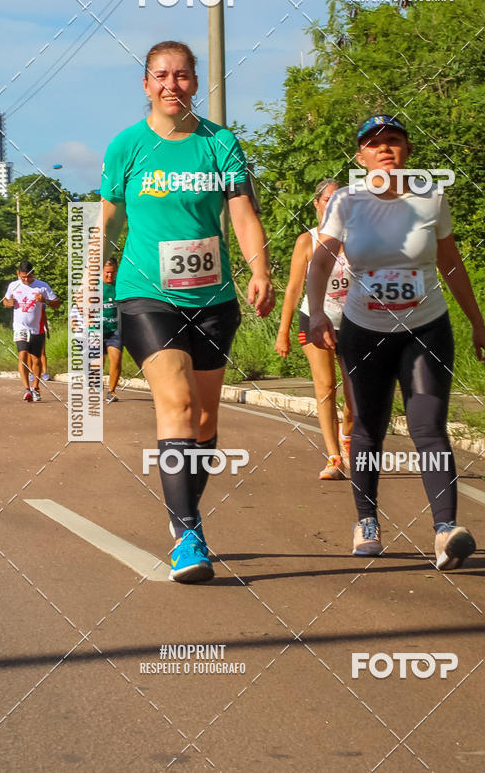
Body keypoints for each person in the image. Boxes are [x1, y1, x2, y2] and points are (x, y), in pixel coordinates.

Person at [99, 40, 274, 583]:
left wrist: (260, 270)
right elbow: (106, 221)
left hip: (214, 298)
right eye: (160, 76)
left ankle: (185, 518)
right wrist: (92, 273)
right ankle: (189, 533)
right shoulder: (126, 146)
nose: (171, 85)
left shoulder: (220, 143)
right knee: (174, 404)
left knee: (203, 420)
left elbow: (242, 215)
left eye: (181, 75)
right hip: (146, 296)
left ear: (195, 82)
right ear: (146, 84)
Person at [307, 114, 485, 570]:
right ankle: (366, 522)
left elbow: (449, 260)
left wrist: (477, 321)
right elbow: (322, 257)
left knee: (429, 426)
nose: (385, 148)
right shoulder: (346, 202)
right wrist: (313, 314)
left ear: (406, 150)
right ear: (361, 156)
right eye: (374, 143)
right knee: (367, 426)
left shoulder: (431, 198)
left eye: (393, 140)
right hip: (363, 330)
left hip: (425, 327)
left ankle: (446, 531)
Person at [275, 179, 354, 479]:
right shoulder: (306, 241)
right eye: (328, 199)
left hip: (354, 324)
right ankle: (333, 457)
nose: (333, 205)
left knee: (354, 394)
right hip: (315, 320)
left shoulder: (357, 239)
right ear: (317, 203)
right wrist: (283, 332)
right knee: (325, 387)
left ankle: (347, 436)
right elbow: (294, 289)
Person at [2, 260, 61, 402]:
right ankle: (26, 389)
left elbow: (57, 303)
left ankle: (35, 388)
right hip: (20, 327)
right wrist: (8, 303)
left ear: (33, 273)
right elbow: (5, 300)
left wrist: (44, 300)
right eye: (23, 277)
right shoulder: (13, 286)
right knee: (22, 355)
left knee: (36, 359)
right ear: (18, 274)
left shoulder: (42, 286)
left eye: (29, 276)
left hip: (37, 328)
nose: (26, 280)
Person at [102, 257, 123, 403]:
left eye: (113, 272)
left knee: (115, 360)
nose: (110, 276)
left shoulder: (120, 286)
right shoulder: (94, 286)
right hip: (96, 330)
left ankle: (111, 391)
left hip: (115, 330)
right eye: (107, 273)